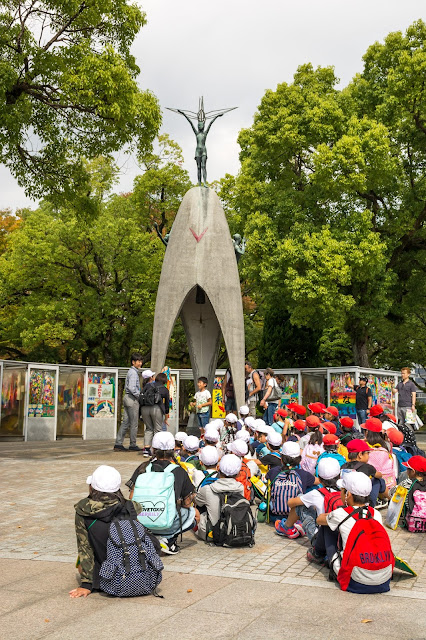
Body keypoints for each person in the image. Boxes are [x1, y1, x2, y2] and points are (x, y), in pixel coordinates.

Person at [309, 472, 394, 593]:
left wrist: (331, 515)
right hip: (383, 579)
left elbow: (319, 519)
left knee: (327, 526)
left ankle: (317, 554)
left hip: (354, 580)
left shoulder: (340, 514)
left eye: (342, 491)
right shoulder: (376, 514)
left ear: (348, 494)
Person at [71, 465, 144, 597]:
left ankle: (95, 580)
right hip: (135, 572)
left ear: (92, 487)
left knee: (80, 563)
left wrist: (86, 585)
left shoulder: (83, 510)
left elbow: (84, 548)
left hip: (104, 576)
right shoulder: (131, 507)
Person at [126, 431, 197, 555]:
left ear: (153, 449)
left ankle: (147, 537)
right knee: (195, 514)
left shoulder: (143, 467)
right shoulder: (179, 470)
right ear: (174, 450)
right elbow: (187, 503)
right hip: (167, 522)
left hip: (142, 522)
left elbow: (131, 498)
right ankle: (168, 539)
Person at [277, 457, 342, 541]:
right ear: (339, 476)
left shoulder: (316, 494)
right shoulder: (344, 492)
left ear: (320, 479)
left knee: (300, 502)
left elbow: (290, 503)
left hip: (319, 540)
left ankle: (286, 527)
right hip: (338, 538)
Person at [266, 441, 316, 531]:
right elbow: (318, 481)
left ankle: (281, 522)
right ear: (299, 459)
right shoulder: (304, 474)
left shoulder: (273, 471)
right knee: (312, 488)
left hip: (275, 515)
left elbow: (267, 478)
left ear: (281, 459)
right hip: (296, 516)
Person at [194, 453, 244, 540]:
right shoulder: (240, 487)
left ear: (218, 468)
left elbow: (197, 502)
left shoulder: (207, 488)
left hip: (212, 534)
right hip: (235, 530)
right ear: (239, 473)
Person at [114, 352, 143, 452]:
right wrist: (139, 396)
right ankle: (133, 444)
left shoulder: (130, 371)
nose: (140, 363)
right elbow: (131, 388)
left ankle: (118, 443)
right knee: (134, 423)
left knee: (125, 422)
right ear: (133, 362)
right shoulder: (134, 373)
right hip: (132, 399)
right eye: (138, 361)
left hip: (127, 398)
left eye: (141, 361)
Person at [140, 369, 164, 456]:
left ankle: (146, 450)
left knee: (148, 428)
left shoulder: (143, 387)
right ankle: (157, 450)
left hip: (144, 409)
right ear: (151, 378)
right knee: (157, 429)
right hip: (155, 408)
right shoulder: (155, 386)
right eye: (153, 376)